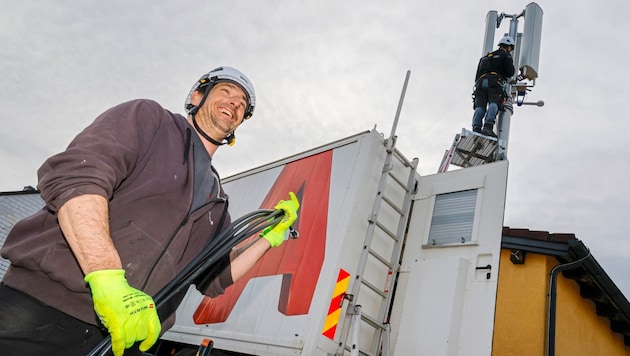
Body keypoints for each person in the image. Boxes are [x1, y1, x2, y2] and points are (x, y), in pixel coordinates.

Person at [0, 66, 300, 356]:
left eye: (242, 104)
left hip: (125, 339)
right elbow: (78, 177)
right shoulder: (149, 120)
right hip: (37, 312)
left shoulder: (217, 201)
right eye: (226, 91)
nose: (234, 103)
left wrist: (269, 238)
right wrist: (106, 279)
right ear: (197, 96)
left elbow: (216, 277)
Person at [471, 35, 516, 138]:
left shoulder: (485, 57)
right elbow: (510, 72)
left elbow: (477, 76)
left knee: (480, 107)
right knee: (494, 103)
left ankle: (476, 128)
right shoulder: (505, 55)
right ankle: (488, 126)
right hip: (494, 82)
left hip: (480, 84)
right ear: (508, 47)